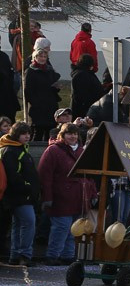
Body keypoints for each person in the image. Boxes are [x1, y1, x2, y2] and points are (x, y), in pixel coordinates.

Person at [37, 123, 95, 266]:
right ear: (62, 135)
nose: (73, 136)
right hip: (60, 197)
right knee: (61, 227)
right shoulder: (53, 151)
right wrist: (47, 198)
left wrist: (92, 193)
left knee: (74, 229)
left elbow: (90, 176)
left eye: (75, 134)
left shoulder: (82, 151)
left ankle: (68, 255)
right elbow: (45, 175)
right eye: (69, 133)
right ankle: (52, 255)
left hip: (78, 197)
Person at [1, 122, 39, 266]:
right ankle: (24, 254)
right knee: (29, 222)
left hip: (18, 195)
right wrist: (28, 187)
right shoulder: (11, 151)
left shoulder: (17, 149)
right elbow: (13, 175)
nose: (27, 136)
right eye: (24, 134)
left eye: (29, 133)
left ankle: (15, 255)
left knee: (18, 224)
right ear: (16, 134)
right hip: (19, 195)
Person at [24, 48, 60, 141]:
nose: (42, 59)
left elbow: (52, 84)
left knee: (51, 130)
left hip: (50, 104)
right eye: (40, 56)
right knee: (38, 130)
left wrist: (56, 88)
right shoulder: (31, 71)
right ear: (35, 57)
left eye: (44, 56)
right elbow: (28, 90)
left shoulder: (49, 70)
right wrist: (35, 103)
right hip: (38, 106)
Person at [69, 54, 101, 119]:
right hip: (84, 110)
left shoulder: (83, 73)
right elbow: (82, 95)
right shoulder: (82, 75)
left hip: (83, 108)